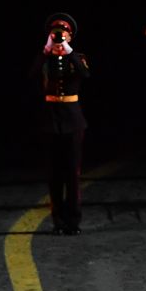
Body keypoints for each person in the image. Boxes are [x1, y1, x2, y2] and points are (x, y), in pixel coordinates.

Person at [34, 12, 88, 235]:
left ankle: (73, 220)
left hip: (72, 119)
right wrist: (46, 51)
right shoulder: (44, 59)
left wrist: (70, 52)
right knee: (54, 174)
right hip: (50, 120)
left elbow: (85, 75)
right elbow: (31, 76)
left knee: (72, 173)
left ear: (70, 36)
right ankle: (58, 220)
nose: (59, 37)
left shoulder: (77, 57)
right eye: (55, 34)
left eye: (63, 33)